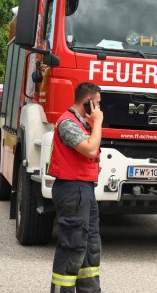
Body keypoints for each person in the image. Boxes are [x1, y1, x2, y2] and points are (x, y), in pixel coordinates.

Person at [48, 82, 103, 293]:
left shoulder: (83, 124)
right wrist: (97, 122)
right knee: (72, 246)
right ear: (87, 102)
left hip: (84, 190)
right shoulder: (67, 123)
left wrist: (93, 123)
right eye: (96, 104)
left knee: (90, 247)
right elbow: (89, 150)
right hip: (72, 190)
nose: (99, 109)